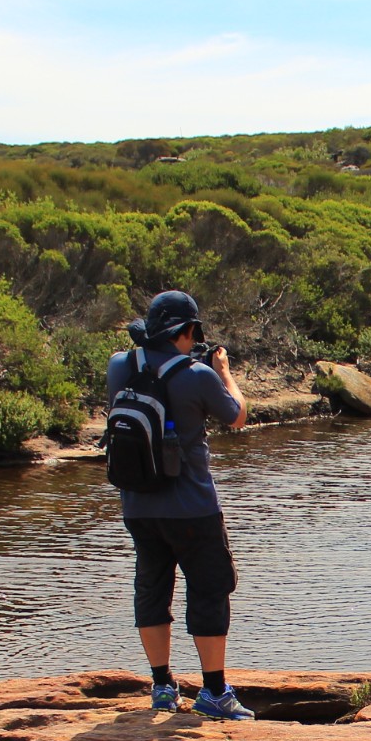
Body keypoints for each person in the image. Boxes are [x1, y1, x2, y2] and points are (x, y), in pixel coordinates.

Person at [105, 290, 253, 718]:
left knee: (152, 591)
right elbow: (237, 416)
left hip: (137, 505)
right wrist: (224, 372)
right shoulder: (198, 375)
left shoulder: (119, 366)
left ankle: (162, 686)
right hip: (192, 507)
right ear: (188, 332)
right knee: (209, 591)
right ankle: (214, 692)